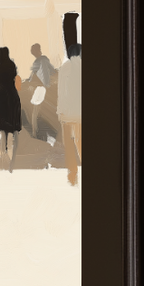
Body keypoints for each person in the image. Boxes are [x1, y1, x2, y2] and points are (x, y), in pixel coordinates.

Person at [0, 46, 22, 169]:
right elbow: (14, 78)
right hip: (11, 97)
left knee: (2, 129)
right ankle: (12, 158)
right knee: (12, 129)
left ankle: (4, 153)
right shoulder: (11, 65)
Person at [23, 42, 57, 144]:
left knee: (35, 111)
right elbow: (53, 71)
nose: (33, 53)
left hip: (41, 88)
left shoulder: (38, 61)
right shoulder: (45, 59)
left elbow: (32, 76)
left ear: (37, 51)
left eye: (33, 51)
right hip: (46, 87)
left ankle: (34, 132)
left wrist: (27, 81)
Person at [58, 47, 82, 186]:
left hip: (67, 113)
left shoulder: (64, 68)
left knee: (68, 143)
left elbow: (61, 92)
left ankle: (72, 172)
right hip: (80, 112)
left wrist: (60, 110)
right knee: (80, 140)